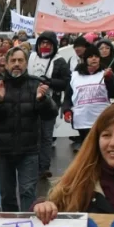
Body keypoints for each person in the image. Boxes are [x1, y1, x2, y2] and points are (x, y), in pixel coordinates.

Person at [0, 46, 58, 212]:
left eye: (20, 60)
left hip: (28, 150)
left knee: (27, 192)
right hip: (3, 150)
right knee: (7, 195)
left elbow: (51, 113)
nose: (16, 64)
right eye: (13, 61)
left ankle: (27, 226)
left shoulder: (35, 84)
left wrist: (42, 100)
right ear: (6, 64)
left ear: (26, 63)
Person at [28, 31, 72, 179]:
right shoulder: (31, 57)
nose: (44, 46)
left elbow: (66, 82)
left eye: (48, 43)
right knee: (33, 135)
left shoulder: (59, 61)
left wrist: (50, 82)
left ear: (54, 45)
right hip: (31, 103)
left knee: (46, 136)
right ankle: (31, 165)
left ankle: (43, 167)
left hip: (49, 104)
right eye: (42, 43)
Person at [63, 45, 114, 148]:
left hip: (101, 119)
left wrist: (109, 80)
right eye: (90, 56)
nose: (94, 58)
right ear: (85, 60)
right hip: (82, 120)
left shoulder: (106, 73)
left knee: (101, 148)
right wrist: (66, 110)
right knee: (87, 149)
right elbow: (68, 97)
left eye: (96, 56)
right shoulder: (75, 76)